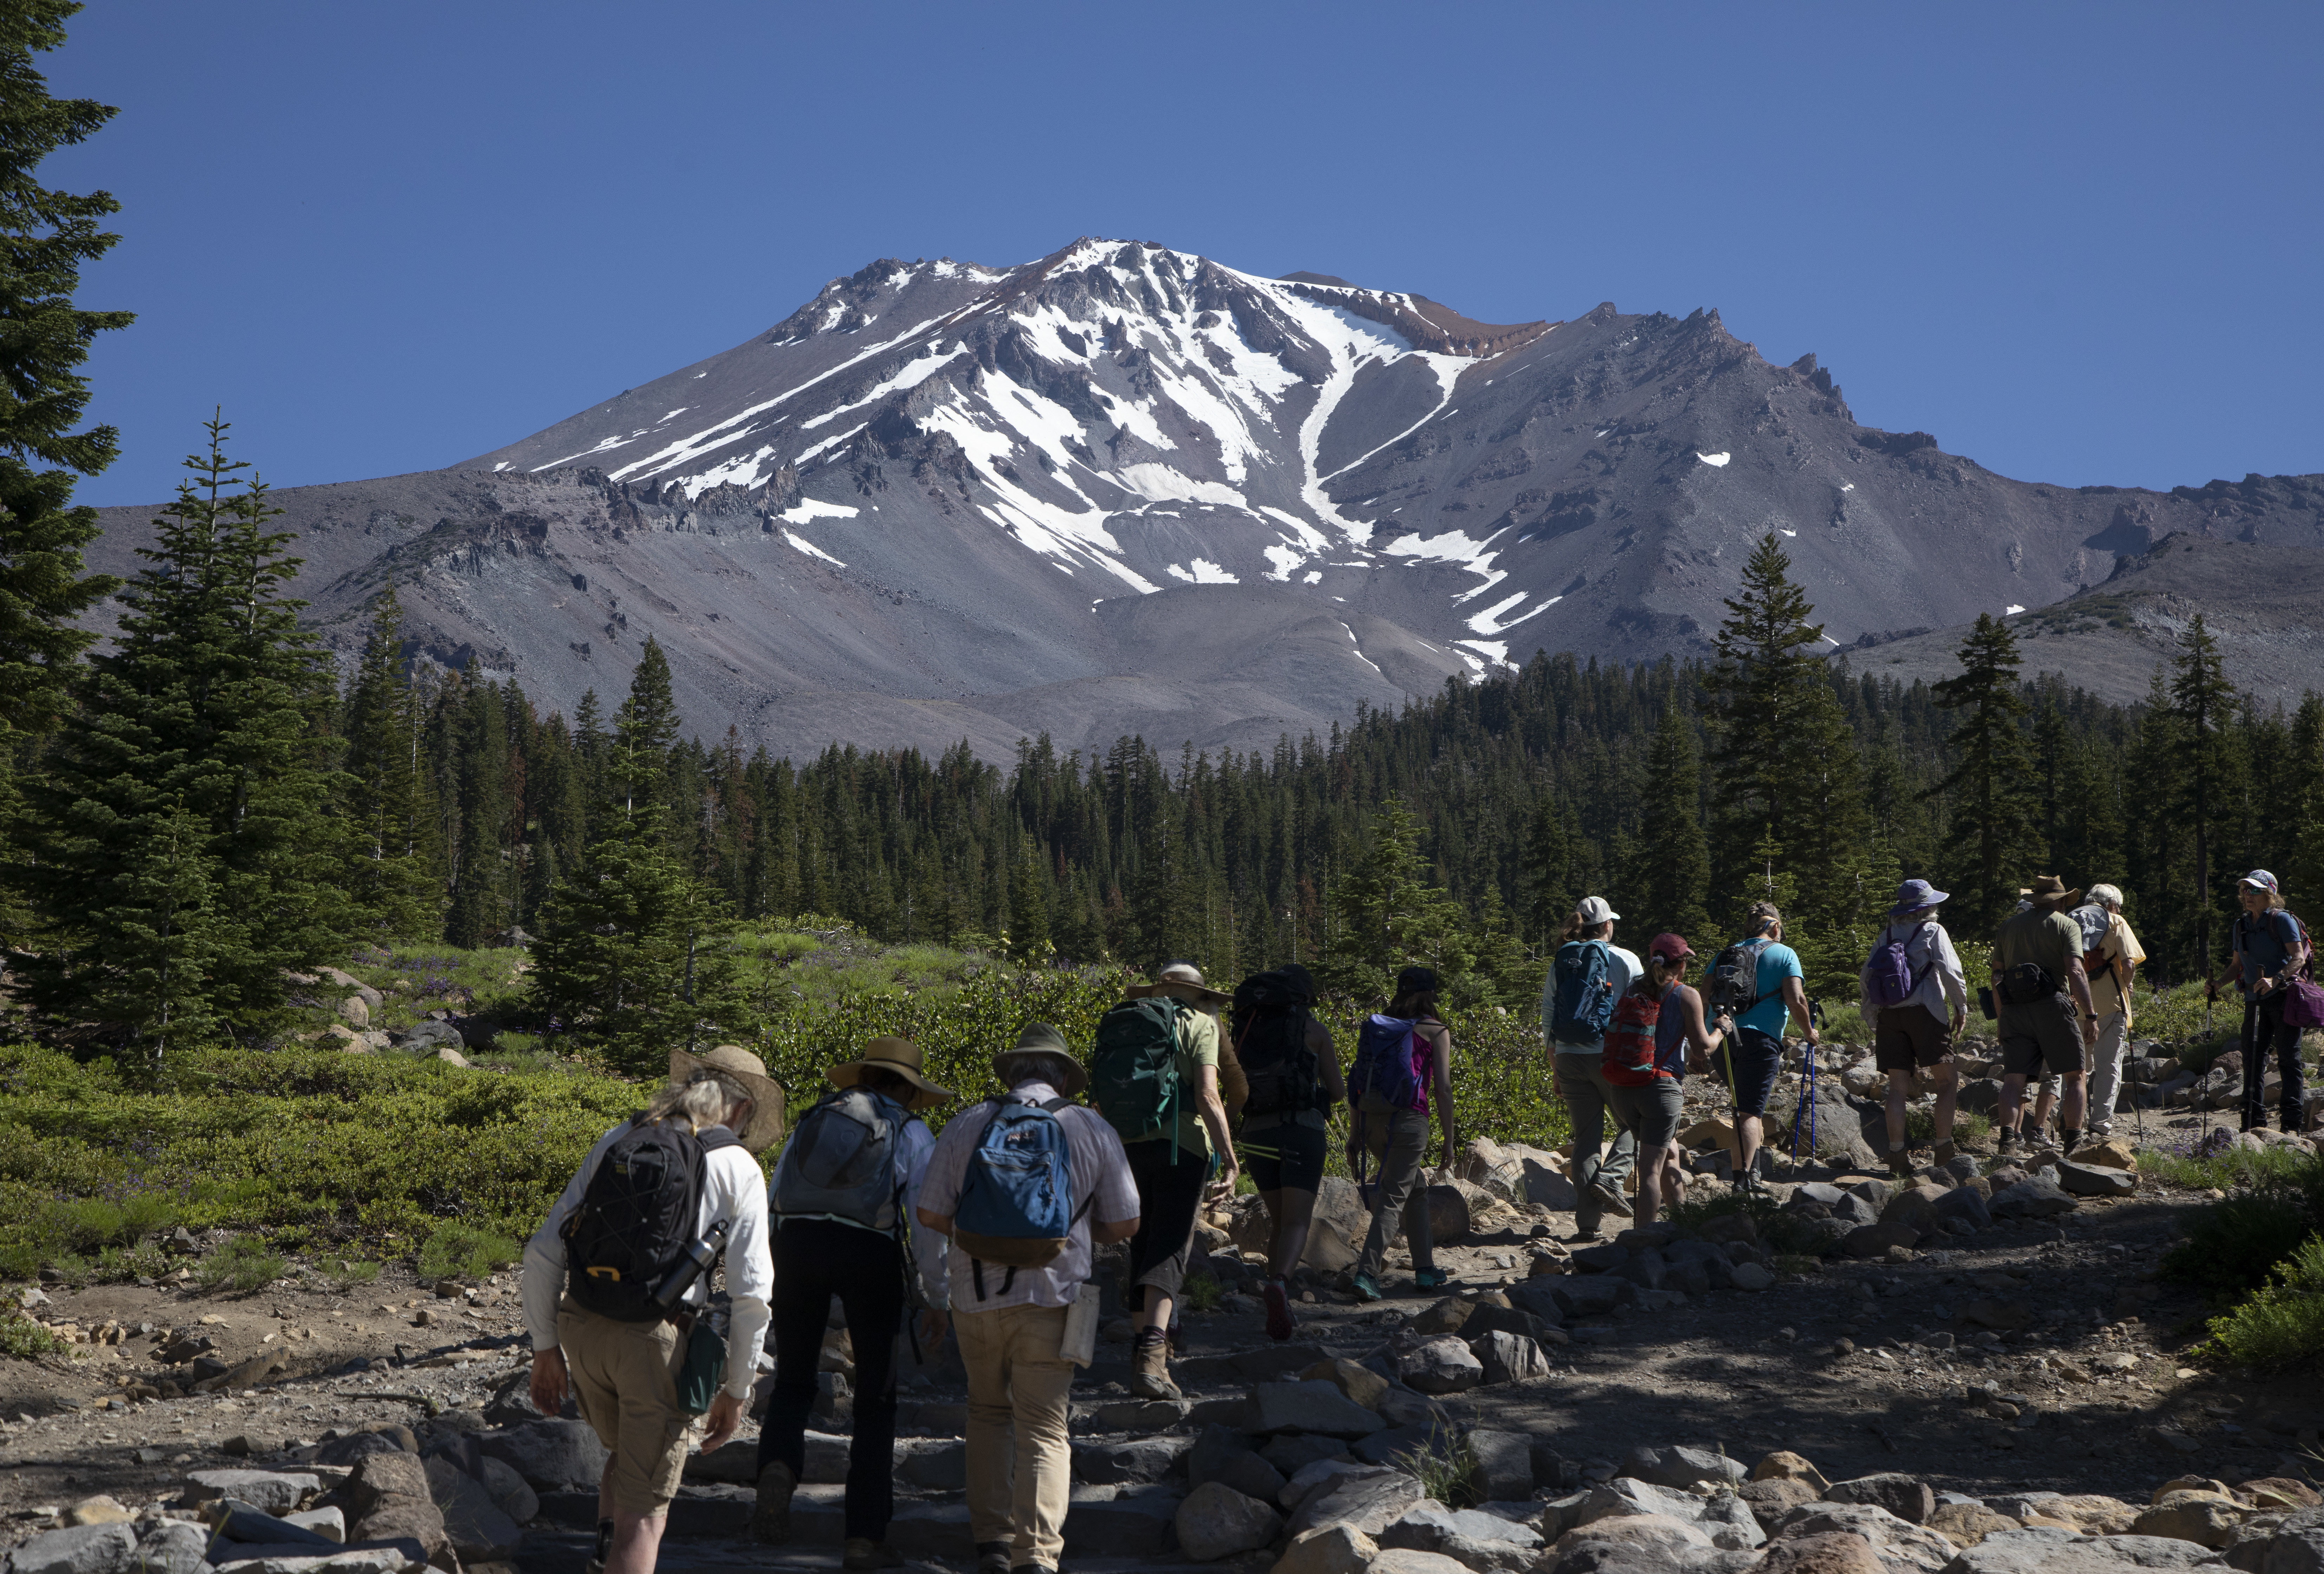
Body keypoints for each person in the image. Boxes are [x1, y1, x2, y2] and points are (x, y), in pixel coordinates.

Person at [523, 1045, 782, 1574]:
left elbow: (544, 1248)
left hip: (582, 1325)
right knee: (645, 1512)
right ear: (740, 1109)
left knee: (625, 1457)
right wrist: (737, 1389)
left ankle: (601, 1554)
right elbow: (752, 1294)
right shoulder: (739, 1167)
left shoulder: (623, 1135)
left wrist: (544, 1345)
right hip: (654, 1338)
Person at [917, 1026, 1141, 1574]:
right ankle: (1036, 1556)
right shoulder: (1089, 1125)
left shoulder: (970, 1121)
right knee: (1043, 1424)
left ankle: (991, 1541)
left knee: (987, 1412)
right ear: (1062, 1075)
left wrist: (980, 1235)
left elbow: (929, 1211)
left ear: (1013, 1073)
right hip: (1054, 1294)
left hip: (974, 1293)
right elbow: (1126, 1220)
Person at [753, 1038, 952, 1567]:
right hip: (868, 1250)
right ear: (908, 1087)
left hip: (796, 1244)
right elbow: (926, 1219)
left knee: (794, 1376)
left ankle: (776, 1464)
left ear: (862, 1076)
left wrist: (777, 1261)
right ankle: (863, 1535)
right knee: (875, 1397)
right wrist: (937, 1294)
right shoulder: (910, 1129)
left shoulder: (817, 1115)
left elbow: (777, 1194)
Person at [1098, 962, 1239, 1400]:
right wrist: (1231, 1160)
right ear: (1200, 996)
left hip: (1128, 1145)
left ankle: (1142, 1353)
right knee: (1171, 1247)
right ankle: (1155, 1356)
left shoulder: (1127, 1022)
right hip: (1184, 1147)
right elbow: (1207, 1094)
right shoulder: (1200, 1024)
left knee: (1141, 1244)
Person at [1228, 962, 1346, 1341]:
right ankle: (1280, 1284)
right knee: (1297, 1222)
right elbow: (1339, 1092)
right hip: (1301, 1131)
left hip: (1256, 1132)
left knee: (1279, 1221)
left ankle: (1274, 1295)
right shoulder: (1314, 1032)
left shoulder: (1245, 1031)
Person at [1348, 965, 1458, 1302]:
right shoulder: (1435, 1030)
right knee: (1394, 1195)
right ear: (1430, 994)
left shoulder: (1376, 1026)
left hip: (1371, 1120)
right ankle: (1367, 1273)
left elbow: (1356, 1079)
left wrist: (1355, 1132)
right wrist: (1449, 1140)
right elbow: (1443, 1089)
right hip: (1409, 1121)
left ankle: (1425, 1268)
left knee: (1416, 1189)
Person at [1601, 934, 1725, 1226]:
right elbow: (1702, 1049)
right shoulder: (1686, 995)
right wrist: (1721, 1029)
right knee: (1649, 1171)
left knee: (1668, 1152)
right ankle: (1644, 1240)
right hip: (1659, 1089)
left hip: (1623, 1089)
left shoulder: (1634, 989)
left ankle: (1682, 1222)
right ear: (1681, 964)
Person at [1545, 897, 1643, 1236]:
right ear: (1606, 926)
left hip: (1569, 1057)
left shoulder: (1563, 958)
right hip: (1610, 1055)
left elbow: (1548, 1014)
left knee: (1586, 1139)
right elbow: (1645, 1009)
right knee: (1637, 1122)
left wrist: (1555, 1065)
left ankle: (1587, 1223)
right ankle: (1612, 1179)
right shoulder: (1625, 958)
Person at [1857, 879, 1969, 1175]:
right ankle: (1943, 1150)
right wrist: (1961, 1007)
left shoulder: (1887, 934)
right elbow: (1950, 970)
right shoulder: (1932, 931)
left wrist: (1871, 1012)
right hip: (1926, 1011)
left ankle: (1896, 1155)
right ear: (1928, 907)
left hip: (1890, 1017)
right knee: (1947, 1082)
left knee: (1897, 1088)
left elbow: (1865, 976)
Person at [1712, 901, 1818, 1187]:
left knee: (1741, 1108)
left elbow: (1702, 995)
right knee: (1750, 1111)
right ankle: (1743, 1182)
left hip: (1722, 1039)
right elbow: (1796, 999)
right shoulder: (1784, 954)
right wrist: (1809, 1032)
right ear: (1773, 926)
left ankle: (1751, 1174)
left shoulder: (1727, 953)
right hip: (1760, 1039)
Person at [1993, 876, 2100, 1155]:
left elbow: (1996, 975)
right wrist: (2090, 1015)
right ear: (2062, 900)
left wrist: (2001, 1017)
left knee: (2013, 1079)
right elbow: (2075, 971)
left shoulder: (2008, 926)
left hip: (2014, 1008)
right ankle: (2073, 1142)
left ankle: (2007, 1141)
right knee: (2075, 1075)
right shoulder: (2066, 925)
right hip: (2052, 1005)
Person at [2213, 870, 2311, 1134]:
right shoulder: (2241, 925)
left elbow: (2298, 958)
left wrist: (2275, 979)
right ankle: (2253, 1122)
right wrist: (2218, 984)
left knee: (2289, 1060)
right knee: (2253, 1060)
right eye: (2245, 890)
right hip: (2253, 1000)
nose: (2247, 895)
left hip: (2283, 998)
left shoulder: (2282, 921)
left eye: (2254, 890)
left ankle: (2292, 1125)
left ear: (2270, 893)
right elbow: (2236, 965)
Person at [2082, 884, 2147, 1139]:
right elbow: (2129, 962)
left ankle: (2068, 1119)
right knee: (2109, 1065)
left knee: (2078, 1068)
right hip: (2110, 1002)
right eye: (2118, 905)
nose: (2119, 909)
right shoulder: (2115, 921)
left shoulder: (2073, 922)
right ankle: (2099, 1124)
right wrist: (2126, 982)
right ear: (2111, 904)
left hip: (2077, 1003)